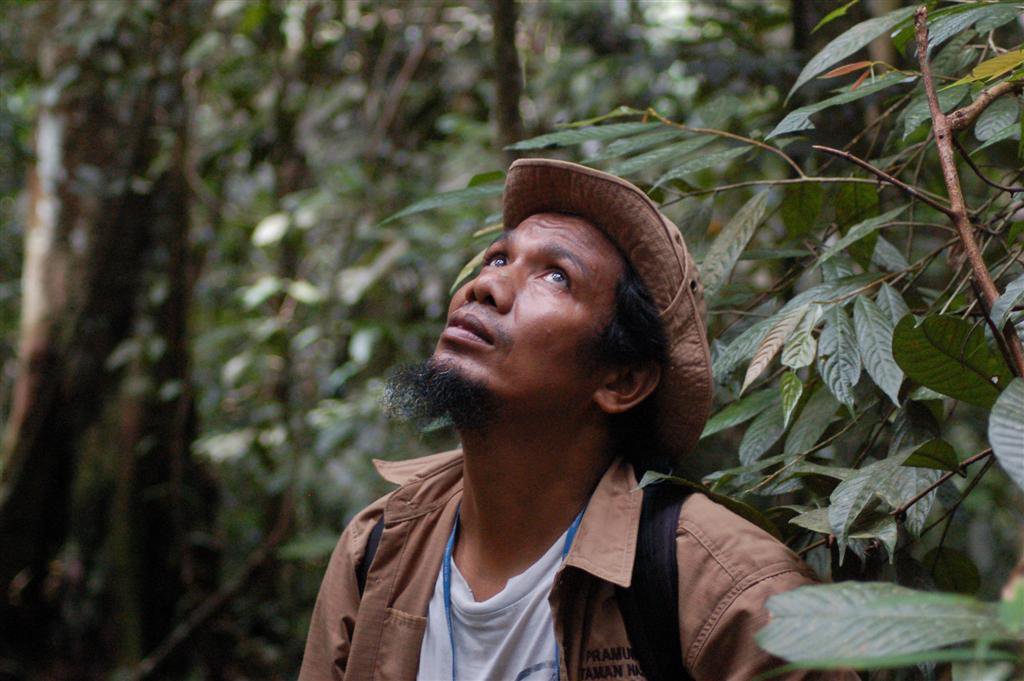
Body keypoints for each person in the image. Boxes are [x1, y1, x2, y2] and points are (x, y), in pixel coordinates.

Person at [299, 159, 856, 681]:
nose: (484, 286)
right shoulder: (379, 549)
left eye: (556, 277)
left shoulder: (735, 593)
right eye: (498, 258)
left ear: (622, 381)